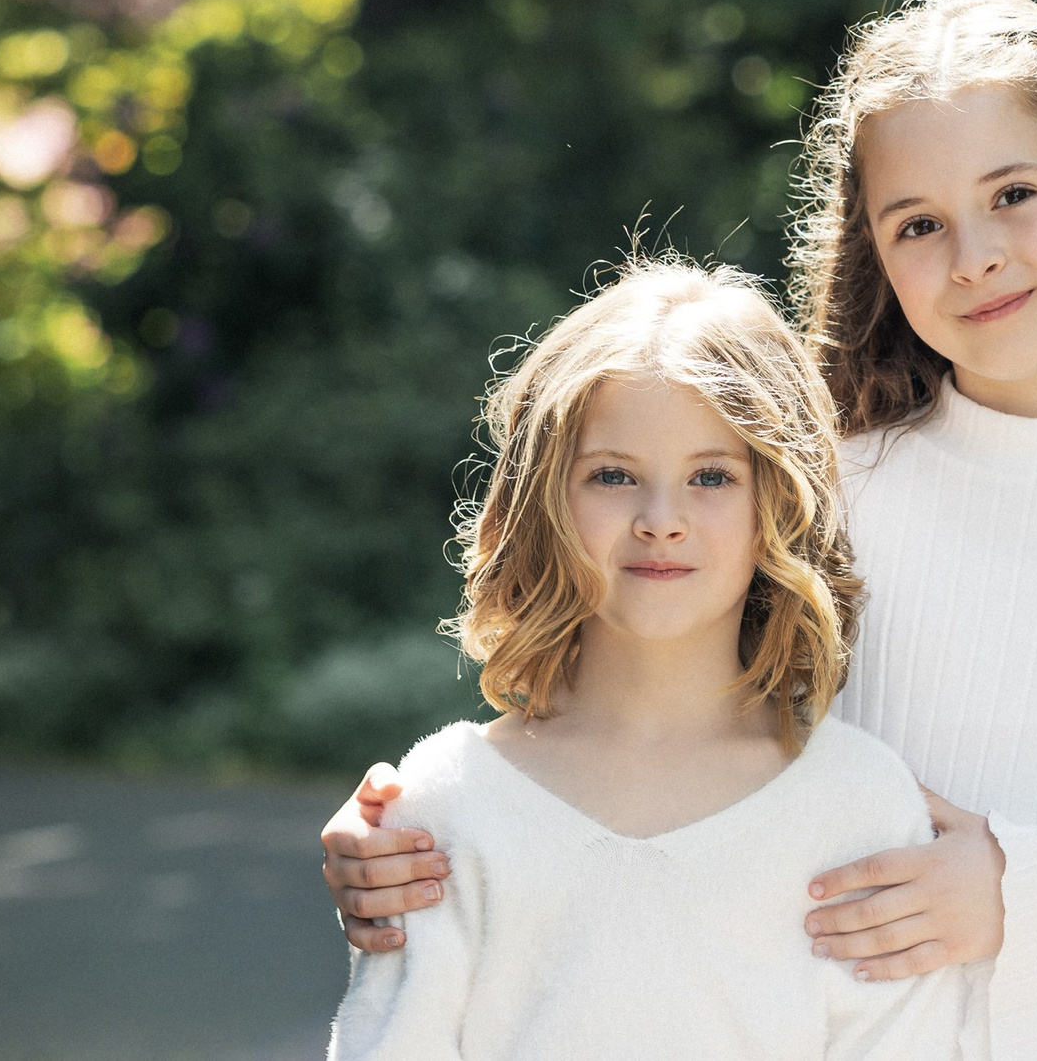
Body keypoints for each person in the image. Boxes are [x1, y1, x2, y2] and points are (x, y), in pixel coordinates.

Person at [324, 0, 1037, 1061]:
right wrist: (423, 830)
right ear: (873, 251)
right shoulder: (816, 491)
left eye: (1014, 194)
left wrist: (1023, 901)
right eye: (920, 224)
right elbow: (627, 730)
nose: (973, 257)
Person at [325, 262, 976, 1060]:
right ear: (543, 501)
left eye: (711, 476)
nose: (661, 519)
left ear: (778, 498)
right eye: (613, 475)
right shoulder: (449, 804)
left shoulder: (859, 808)